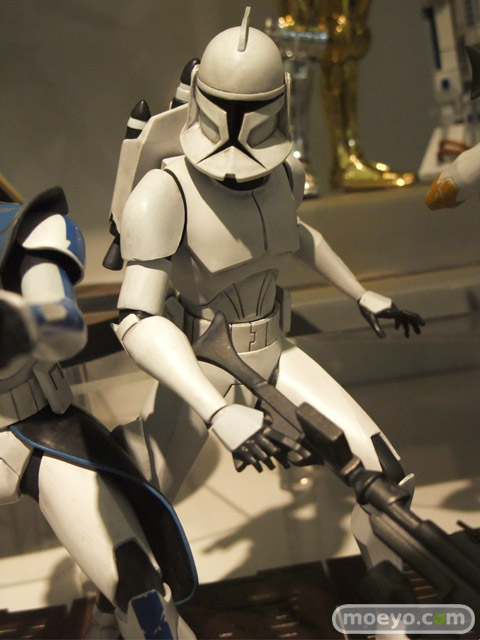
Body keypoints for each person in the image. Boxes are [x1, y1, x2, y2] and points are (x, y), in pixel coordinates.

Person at [111, 8, 424, 577]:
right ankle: (121, 609)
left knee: (386, 477)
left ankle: (389, 608)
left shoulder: (286, 174)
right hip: (203, 361)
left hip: (276, 349)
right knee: (143, 504)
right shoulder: (163, 191)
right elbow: (136, 318)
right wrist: (216, 411)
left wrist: (361, 295)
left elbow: (297, 236)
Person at [0, 187, 196, 639]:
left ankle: (110, 620)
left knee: (141, 595)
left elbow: (60, 323)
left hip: (36, 432)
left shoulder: (26, 232)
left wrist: (30, 326)